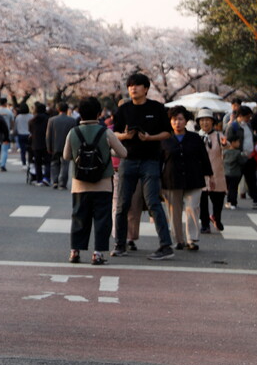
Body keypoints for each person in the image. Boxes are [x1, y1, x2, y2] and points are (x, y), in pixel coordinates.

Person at [111, 73, 175, 260]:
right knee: (122, 204)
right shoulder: (124, 109)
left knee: (153, 202)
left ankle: (165, 246)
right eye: (130, 85)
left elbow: (167, 133)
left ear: (146, 89)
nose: (133, 88)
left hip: (150, 160)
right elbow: (114, 133)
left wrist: (149, 138)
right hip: (128, 159)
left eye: (137, 85)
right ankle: (120, 244)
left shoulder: (157, 108)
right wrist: (125, 136)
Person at [64, 96, 127, 265]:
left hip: (79, 184)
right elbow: (123, 153)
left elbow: (66, 156)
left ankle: (75, 252)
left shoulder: (73, 132)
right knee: (102, 219)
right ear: (99, 113)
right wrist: (108, 152)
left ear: (80, 113)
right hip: (103, 184)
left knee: (79, 218)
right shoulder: (106, 132)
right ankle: (97, 254)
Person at [161, 106, 213, 251]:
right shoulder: (165, 139)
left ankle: (192, 239)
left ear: (186, 121)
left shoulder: (195, 138)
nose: (177, 122)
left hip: (194, 178)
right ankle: (178, 239)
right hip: (171, 180)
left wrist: (210, 176)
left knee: (192, 208)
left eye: (180, 119)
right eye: (174, 120)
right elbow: (159, 161)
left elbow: (204, 158)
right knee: (174, 212)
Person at [227, 106, 257, 209]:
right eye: (247, 117)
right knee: (235, 181)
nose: (248, 119)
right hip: (239, 157)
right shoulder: (233, 127)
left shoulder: (248, 125)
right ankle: (231, 202)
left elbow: (250, 138)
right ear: (240, 116)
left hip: (250, 157)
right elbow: (229, 141)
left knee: (252, 180)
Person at [196, 109, 227, 233]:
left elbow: (227, 145)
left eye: (207, 120)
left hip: (216, 173)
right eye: (202, 120)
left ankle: (216, 218)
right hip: (201, 174)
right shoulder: (196, 136)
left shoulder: (219, 135)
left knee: (218, 200)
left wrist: (225, 144)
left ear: (212, 122)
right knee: (202, 201)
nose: (205, 123)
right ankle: (205, 224)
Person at [46, 102, 77, 189]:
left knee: (54, 163)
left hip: (55, 146)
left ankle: (55, 181)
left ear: (58, 109)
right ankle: (62, 183)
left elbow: (48, 135)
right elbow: (74, 135)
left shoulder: (52, 120)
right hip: (67, 146)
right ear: (67, 110)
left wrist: (48, 147)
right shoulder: (72, 120)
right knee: (65, 164)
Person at [28, 102, 50, 186]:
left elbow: (30, 131)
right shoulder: (49, 120)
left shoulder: (32, 121)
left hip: (35, 143)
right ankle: (47, 178)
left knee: (38, 163)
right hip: (46, 143)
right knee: (47, 162)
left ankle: (39, 180)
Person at [223, 135, 246, 209]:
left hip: (226, 173)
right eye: (238, 142)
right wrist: (245, 157)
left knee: (228, 188)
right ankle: (233, 203)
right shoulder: (237, 153)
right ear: (233, 142)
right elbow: (242, 162)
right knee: (234, 189)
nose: (239, 143)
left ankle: (228, 201)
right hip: (235, 174)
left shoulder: (225, 152)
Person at [0, 98, 14, 171]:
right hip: (6, 132)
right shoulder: (9, 112)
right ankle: (2, 165)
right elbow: (12, 122)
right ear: (5, 103)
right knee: (4, 150)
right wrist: (11, 128)